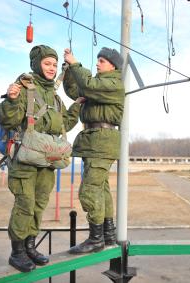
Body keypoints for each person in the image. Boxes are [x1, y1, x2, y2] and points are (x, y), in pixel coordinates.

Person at [0, 45, 82, 272]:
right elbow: (6, 118)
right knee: (25, 204)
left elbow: (64, 125)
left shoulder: (54, 96)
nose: (52, 68)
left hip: (46, 160)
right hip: (24, 159)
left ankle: (30, 246)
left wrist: (77, 106)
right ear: (36, 64)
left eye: (54, 64)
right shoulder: (24, 87)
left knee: (39, 204)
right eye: (47, 63)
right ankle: (17, 252)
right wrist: (12, 100)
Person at [62, 47, 125, 254]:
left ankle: (95, 239)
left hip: (102, 142)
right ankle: (107, 233)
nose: (97, 64)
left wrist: (75, 64)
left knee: (89, 190)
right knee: (101, 189)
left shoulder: (112, 84)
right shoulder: (97, 86)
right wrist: (70, 71)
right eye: (97, 60)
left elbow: (87, 84)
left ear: (113, 66)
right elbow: (75, 91)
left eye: (101, 61)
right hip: (94, 142)